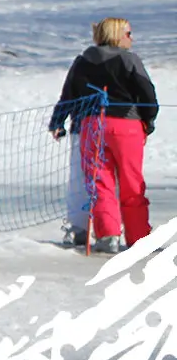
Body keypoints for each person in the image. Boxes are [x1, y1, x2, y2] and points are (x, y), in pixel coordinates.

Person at [50, 18, 159, 252]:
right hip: (126, 127)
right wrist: (148, 121)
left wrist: (58, 121)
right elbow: (147, 93)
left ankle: (107, 235)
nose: (132, 38)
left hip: (92, 126)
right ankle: (139, 238)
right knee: (131, 183)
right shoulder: (129, 59)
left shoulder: (82, 61)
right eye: (128, 33)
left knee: (100, 183)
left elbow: (68, 94)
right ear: (116, 35)